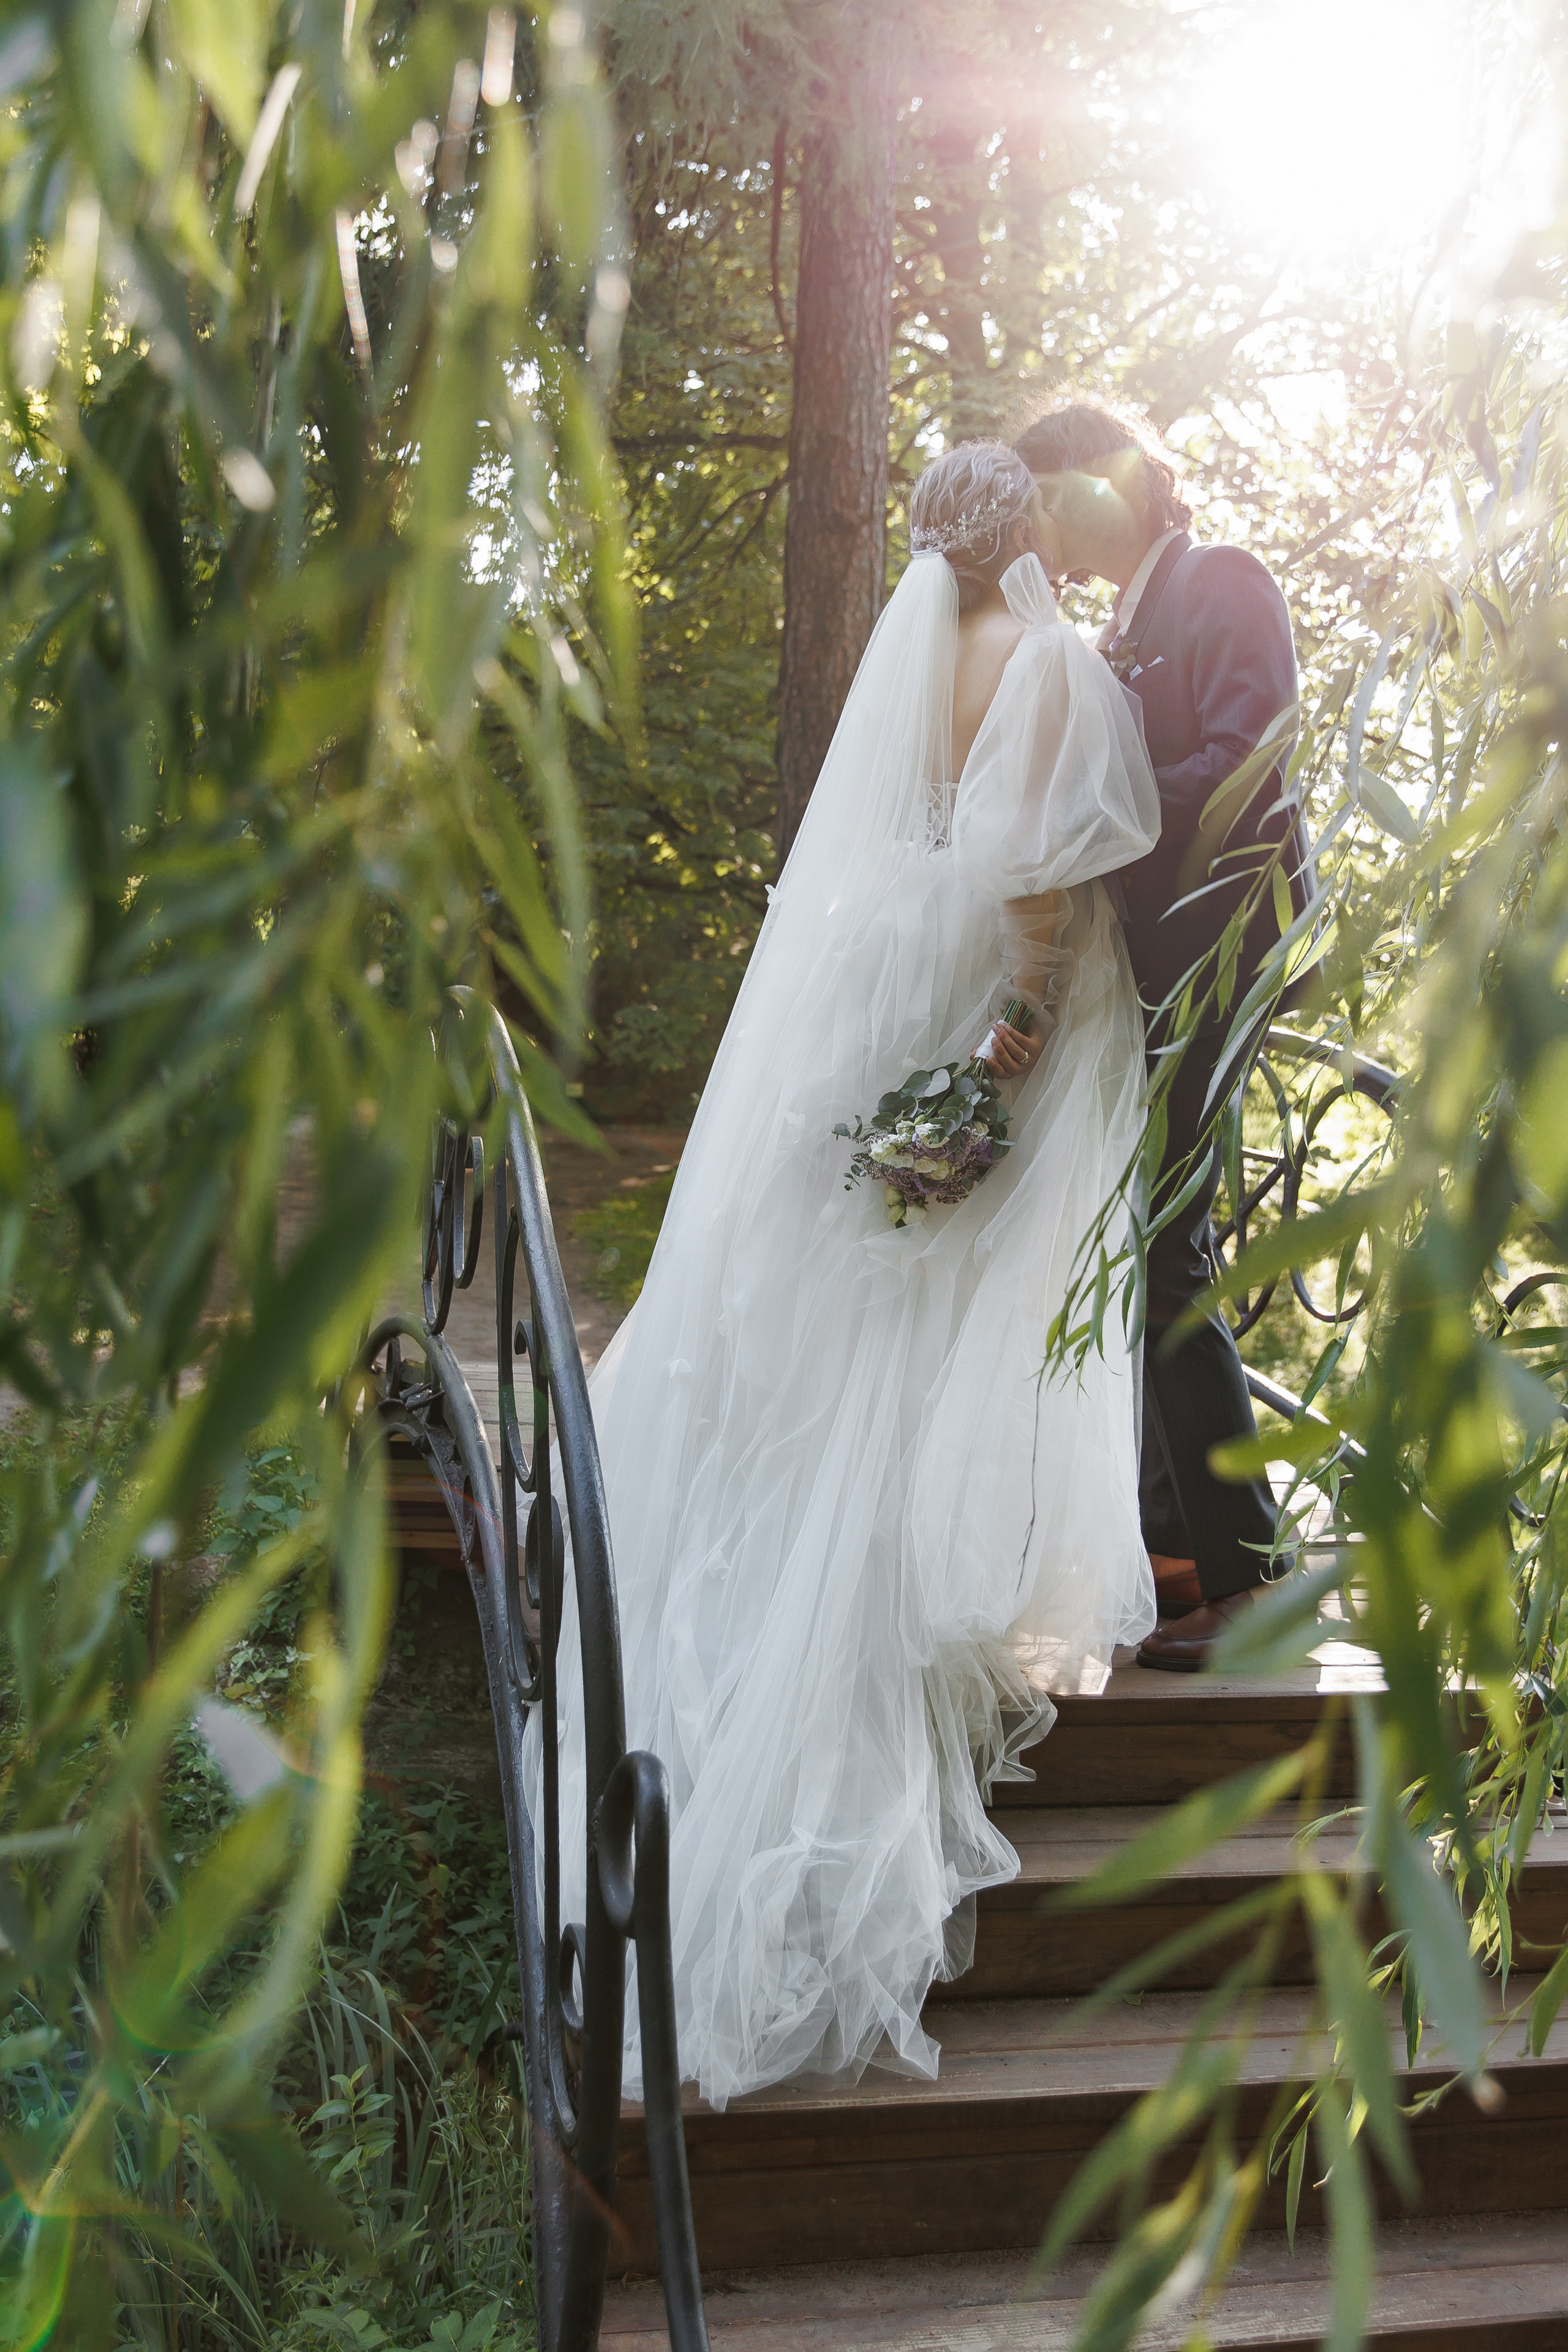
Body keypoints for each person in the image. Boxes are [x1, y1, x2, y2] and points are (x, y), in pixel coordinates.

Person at [524, 443, 1161, 2108]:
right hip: (977, 1043)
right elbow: (1048, 919)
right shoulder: (1054, 667)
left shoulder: (918, 670)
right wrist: (1001, 1075)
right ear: (1026, 531)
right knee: (918, 1344)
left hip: (892, 1019)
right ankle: (856, 1686)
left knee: (847, 1351)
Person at [1014, 400, 1306, 1670]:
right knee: (1123, 1243)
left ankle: (1249, 1577)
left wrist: (1098, 818)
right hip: (1147, 962)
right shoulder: (1112, 622)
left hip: (1223, 954)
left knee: (1165, 1239)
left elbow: (1252, 765)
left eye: (1050, 495)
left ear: (1103, 479)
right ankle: (1174, 1548)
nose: (1040, 526)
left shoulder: (1222, 582)